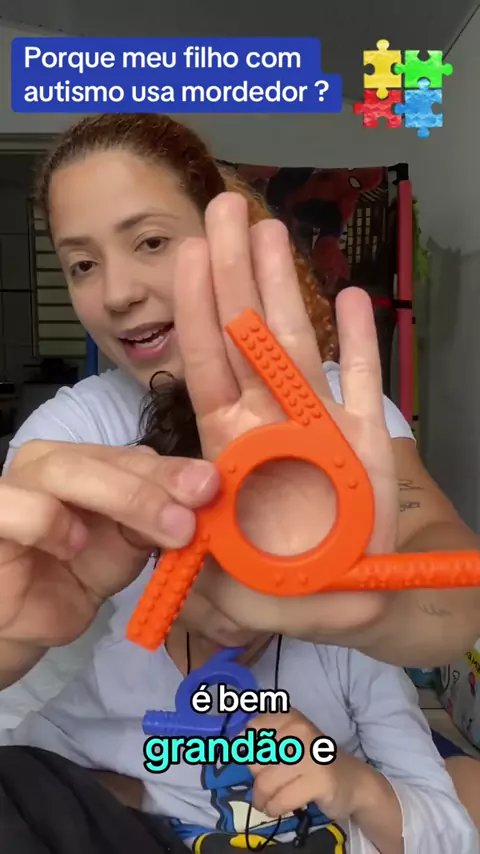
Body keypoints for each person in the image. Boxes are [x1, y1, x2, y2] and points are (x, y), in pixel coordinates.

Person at [0, 114, 478, 850]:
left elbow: (451, 585)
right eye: (82, 264)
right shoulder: (72, 433)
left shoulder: (335, 416)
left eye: (149, 241)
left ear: (217, 235)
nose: (116, 292)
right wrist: (11, 640)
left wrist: (370, 606)